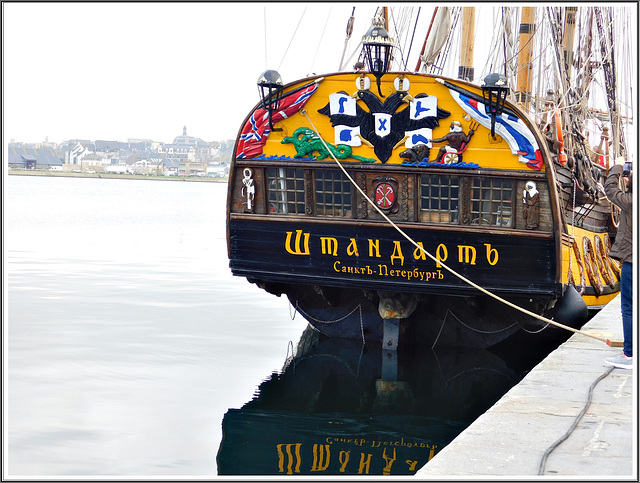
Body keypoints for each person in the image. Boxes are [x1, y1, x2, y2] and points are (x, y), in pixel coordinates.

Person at [604, 156, 633, 369]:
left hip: (633, 261)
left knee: (629, 308)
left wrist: (618, 165)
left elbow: (610, 189)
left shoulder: (631, 202)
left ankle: (629, 355)